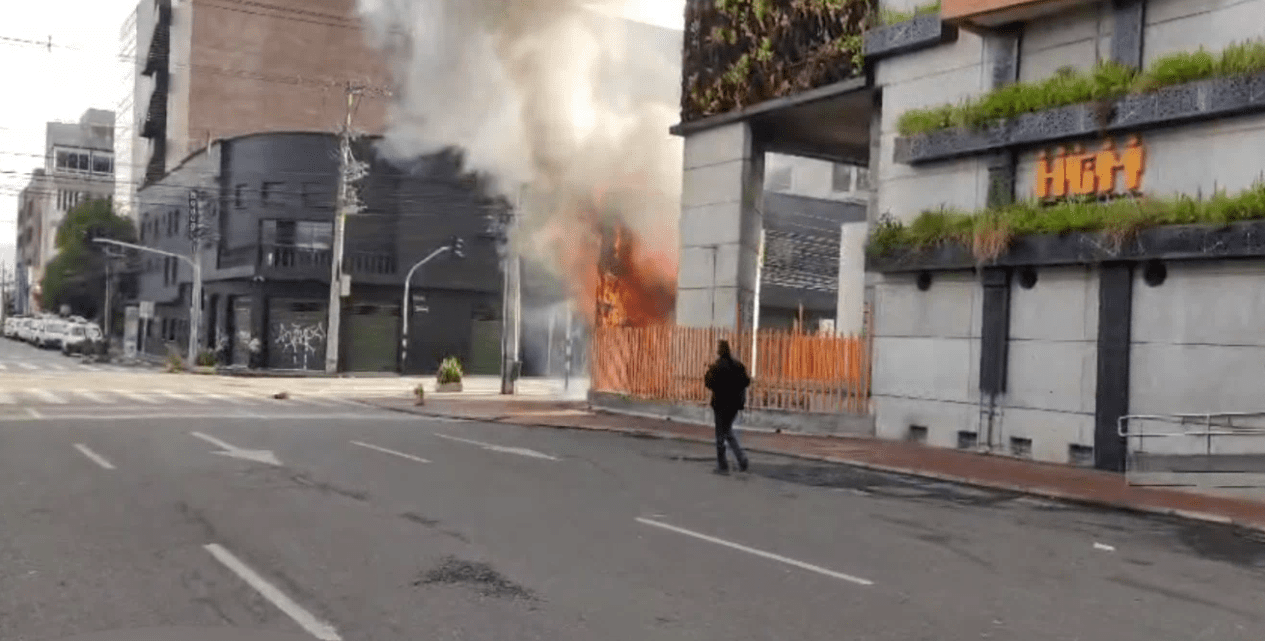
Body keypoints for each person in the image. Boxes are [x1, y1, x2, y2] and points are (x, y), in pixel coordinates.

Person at [704, 339, 751, 474]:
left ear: (719, 351)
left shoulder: (717, 367)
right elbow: (746, 381)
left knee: (720, 435)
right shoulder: (737, 365)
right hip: (734, 406)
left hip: (720, 404)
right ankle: (741, 459)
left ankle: (723, 466)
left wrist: (709, 371)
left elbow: (709, 383)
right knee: (727, 432)